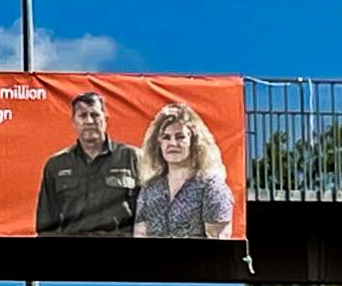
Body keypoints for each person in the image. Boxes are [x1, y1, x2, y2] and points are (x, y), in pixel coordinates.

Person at [35, 91, 141, 236]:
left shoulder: (133, 158)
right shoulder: (56, 165)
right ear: (73, 122)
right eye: (83, 115)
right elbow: (46, 226)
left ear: (105, 119)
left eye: (95, 115)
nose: (89, 121)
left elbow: (148, 215)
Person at [133, 102, 234, 239]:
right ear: (159, 143)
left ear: (194, 142)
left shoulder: (211, 186)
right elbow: (140, 236)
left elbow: (218, 244)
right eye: (166, 137)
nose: (172, 143)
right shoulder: (149, 188)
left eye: (180, 137)